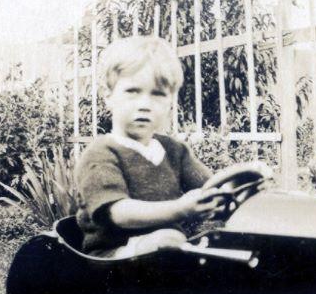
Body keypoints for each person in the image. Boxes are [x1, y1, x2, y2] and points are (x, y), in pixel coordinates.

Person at [74, 36, 221, 259]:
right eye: (133, 91)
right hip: (112, 256)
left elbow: (212, 187)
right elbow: (118, 213)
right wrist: (180, 208)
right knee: (168, 242)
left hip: (168, 246)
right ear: (108, 97)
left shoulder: (173, 150)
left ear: (170, 101)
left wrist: (231, 192)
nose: (144, 104)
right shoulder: (101, 153)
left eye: (158, 94)